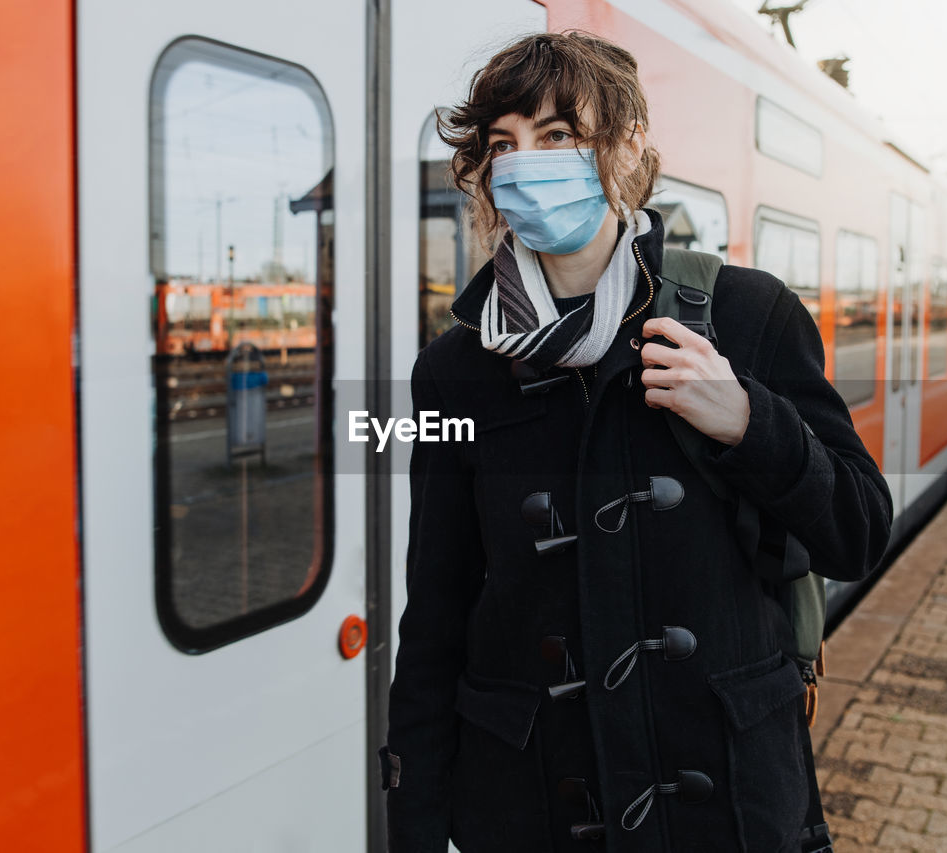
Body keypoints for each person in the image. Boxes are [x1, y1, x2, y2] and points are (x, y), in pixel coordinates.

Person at [382, 31, 892, 853]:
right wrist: (415, 821)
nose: (524, 163)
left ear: (625, 150)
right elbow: (436, 611)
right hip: (531, 804)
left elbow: (860, 527)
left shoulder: (748, 316)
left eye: (557, 137)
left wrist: (749, 422)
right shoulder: (455, 370)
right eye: (503, 144)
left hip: (723, 800)